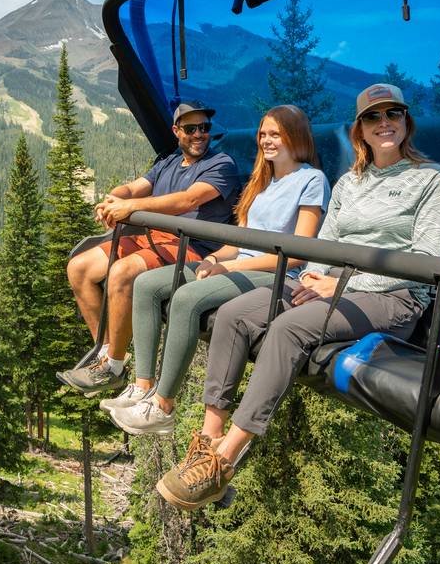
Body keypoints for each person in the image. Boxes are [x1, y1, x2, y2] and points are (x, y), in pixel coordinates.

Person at [156, 83, 440, 511]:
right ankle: (208, 440)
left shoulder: (431, 181)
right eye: (373, 117)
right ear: (361, 131)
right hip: (330, 285)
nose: (384, 123)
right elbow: (325, 244)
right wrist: (315, 276)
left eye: (393, 115)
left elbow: (424, 262)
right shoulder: (350, 183)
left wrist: (342, 286)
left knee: (289, 327)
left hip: (394, 295)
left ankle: (224, 462)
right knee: (236, 314)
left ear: (407, 123)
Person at [103, 105, 330, 435]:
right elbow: (238, 241)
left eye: (275, 134)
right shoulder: (260, 182)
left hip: (276, 273)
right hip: (238, 263)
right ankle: (142, 385)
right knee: (148, 285)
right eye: (263, 134)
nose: (267, 141)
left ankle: (163, 406)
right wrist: (214, 260)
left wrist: (227, 267)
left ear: (295, 136)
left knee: (187, 298)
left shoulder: (311, 180)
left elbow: (296, 253)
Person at [57, 100, 240, 394]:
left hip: (191, 248)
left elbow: (188, 201)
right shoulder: (167, 162)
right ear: (176, 131)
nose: (199, 135)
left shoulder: (221, 165)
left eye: (204, 128)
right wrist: (113, 199)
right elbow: (132, 188)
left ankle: (112, 367)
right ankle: (106, 352)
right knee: (79, 267)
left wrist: (129, 207)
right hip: (155, 240)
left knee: (123, 272)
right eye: (191, 128)